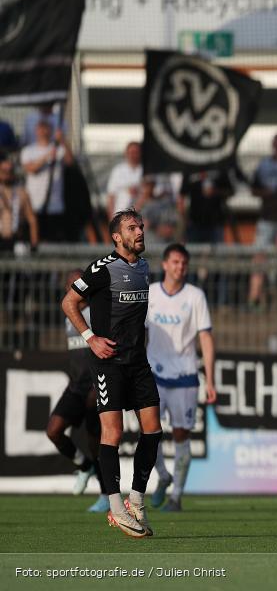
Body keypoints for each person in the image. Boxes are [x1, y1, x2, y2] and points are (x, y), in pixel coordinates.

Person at [60, 209, 161, 538]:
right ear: (117, 237)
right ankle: (116, 509)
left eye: (141, 226)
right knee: (112, 434)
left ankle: (136, 500)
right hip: (109, 363)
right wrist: (90, 338)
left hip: (138, 362)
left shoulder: (144, 267)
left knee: (153, 430)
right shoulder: (102, 268)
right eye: (133, 227)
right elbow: (69, 302)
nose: (140, 231)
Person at [146, 243, 217, 512]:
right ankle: (163, 476)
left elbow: (206, 338)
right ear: (165, 265)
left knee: (181, 435)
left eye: (183, 263)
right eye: (175, 262)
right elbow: (139, 334)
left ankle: (176, 496)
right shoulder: (151, 294)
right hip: (153, 373)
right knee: (148, 432)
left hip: (186, 375)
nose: (180, 267)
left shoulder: (195, 297)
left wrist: (210, 380)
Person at [46, 271, 108, 513]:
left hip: (96, 385)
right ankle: (83, 466)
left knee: (97, 442)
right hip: (75, 387)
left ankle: (105, 495)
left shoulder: (97, 312)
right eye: (71, 286)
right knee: (53, 431)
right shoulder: (68, 316)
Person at [20, 121, 73, 241]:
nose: (43, 131)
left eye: (46, 128)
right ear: (36, 131)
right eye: (40, 128)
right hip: (34, 203)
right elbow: (31, 169)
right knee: (35, 236)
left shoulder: (59, 149)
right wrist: (47, 156)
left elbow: (70, 162)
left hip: (55, 204)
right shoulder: (28, 151)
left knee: (53, 238)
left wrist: (63, 140)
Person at [180, 170, 234, 244]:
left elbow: (230, 191)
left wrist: (215, 191)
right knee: (194, 253)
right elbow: (183, 193)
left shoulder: (219, 169)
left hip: (215, 222)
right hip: (195, 222)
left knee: (217, 253)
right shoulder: (190, 170)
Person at [0, 155, 38, 250]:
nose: (7, 174)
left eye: (10, 171)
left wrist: (34, 244)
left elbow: (32, 220)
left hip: (16, 239)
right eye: (4, 171)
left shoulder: (22, 193)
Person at [105, 142, 143, 220]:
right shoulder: (118, 170)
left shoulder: (145, 171)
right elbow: (111, 196)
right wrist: (111, 218)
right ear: (126, 153)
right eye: (131, 152)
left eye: (136, 152)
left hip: (141, 217)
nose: (133, 155)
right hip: (120, 216)